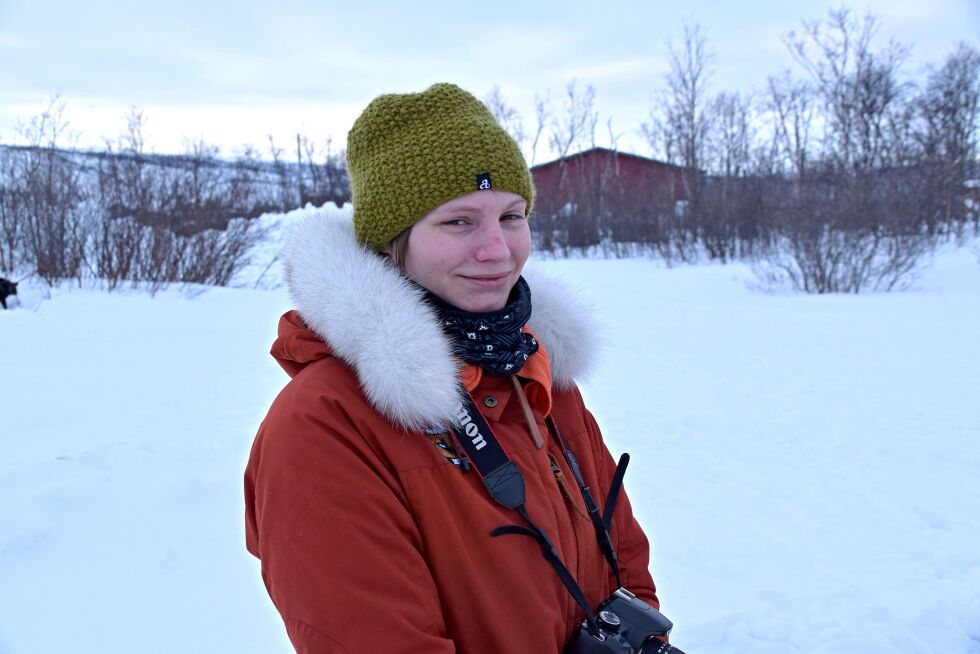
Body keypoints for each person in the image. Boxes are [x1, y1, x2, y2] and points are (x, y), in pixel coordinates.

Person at [245, 83, 672, 653]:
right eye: (459, 222)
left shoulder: (536, 377)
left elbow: (626, 569)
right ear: (394, 243)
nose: (497, 249)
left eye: (511, 216)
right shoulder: (324, 426)